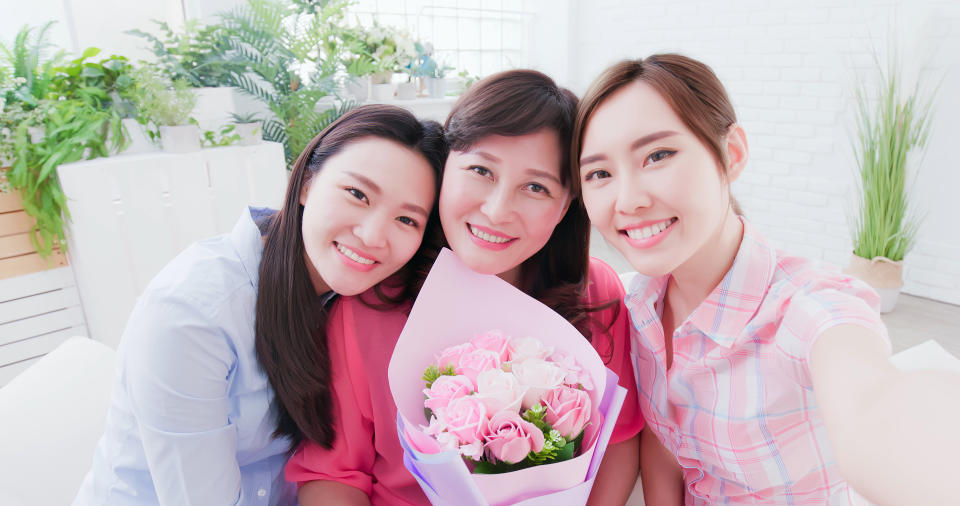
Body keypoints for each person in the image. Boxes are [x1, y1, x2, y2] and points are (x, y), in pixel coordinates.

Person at [572, 53, 960, 505]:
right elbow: (666, 444)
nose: (629, 199)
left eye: (658, 155)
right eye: (599, 173)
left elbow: (873, 403)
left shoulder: (807, 307)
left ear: (731, 154)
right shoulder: (639, 303)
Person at [285, 70, 644, 505]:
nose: (496, 210)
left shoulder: (595, 293)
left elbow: (620, 439)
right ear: (445, 166)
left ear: (567, 204)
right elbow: (335, 476)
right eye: (480, 170)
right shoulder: (370, 304)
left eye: (535, 187)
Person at [73, 105, 447, 506]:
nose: (373, 236)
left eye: (407, 220)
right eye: (357, 194)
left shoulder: (368, 302)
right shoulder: (192, 314)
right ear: (305, 182)